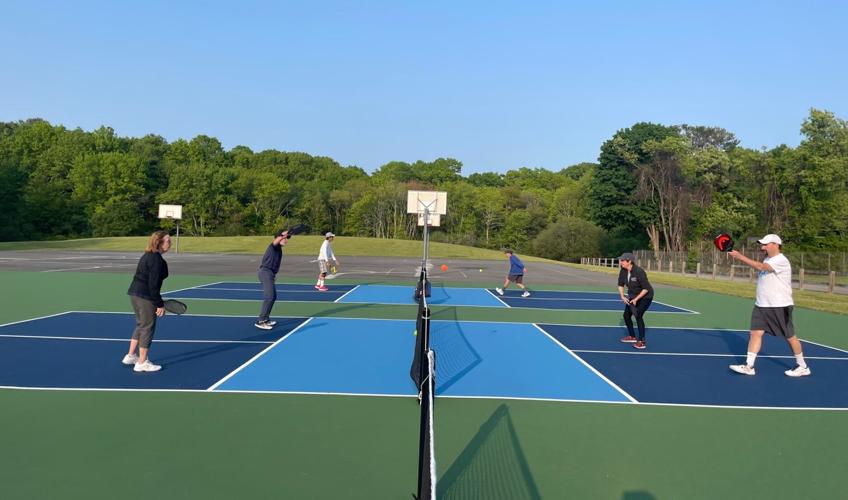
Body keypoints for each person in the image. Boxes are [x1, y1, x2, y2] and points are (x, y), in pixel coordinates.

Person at [728, 234, 810, 377]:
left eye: (766, 244)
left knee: (789, 336)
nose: (763, 247)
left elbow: (761, 267)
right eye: (762, 244)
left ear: (776, 245)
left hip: (779, 305)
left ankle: (802, 366)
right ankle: (749, 366)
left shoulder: (781, 260)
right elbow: (762, 268)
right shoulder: (768, 259)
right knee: (755, 333)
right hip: (762, 304)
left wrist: (739, 256)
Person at [124, 230, 171, 372]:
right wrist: (159, 304)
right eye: (168, 241)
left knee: (141, 324)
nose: (170, 243)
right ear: (159, 243)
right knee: (147, 327)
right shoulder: (156, 260)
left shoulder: (148, 256)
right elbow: (153, 285)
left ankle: (131, 356)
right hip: (145, 296)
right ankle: (142, 362)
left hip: (135, 293)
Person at [617, 252, 654, 350]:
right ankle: (632, 336)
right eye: (621, 260)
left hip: (645, 296)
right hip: (633, 295)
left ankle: (642, 342)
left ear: (629, 261)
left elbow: (646, 288)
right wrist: (622, 296)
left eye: (623, 260)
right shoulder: (623, 271)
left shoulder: (639, 271)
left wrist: (636, 299)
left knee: (638, 315)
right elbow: (620, 284)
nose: (621, 262)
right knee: (626, 315)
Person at [255, 229, 290, 330]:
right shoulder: (273, 246)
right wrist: (283, 235)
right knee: (269, 297)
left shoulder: (279, 249)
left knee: (273, 297)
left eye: (287, 238)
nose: (286, 240)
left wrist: (274, 275)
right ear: (279, 237)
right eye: (285, 238)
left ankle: (266, 319)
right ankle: (261, 321)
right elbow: (275, 241)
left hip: (270, 274)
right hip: (265, 272)